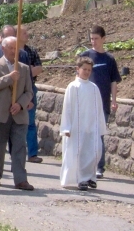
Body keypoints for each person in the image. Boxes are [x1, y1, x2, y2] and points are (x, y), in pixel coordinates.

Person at [0, 36, 34, 190]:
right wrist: (9, 78)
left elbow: (29, 92)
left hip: (19, 115)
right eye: (11, 48)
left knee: (20, 147)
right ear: (3, 49)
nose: (14, 51)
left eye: (16, 48)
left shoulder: (24, 68)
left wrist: (20, 104)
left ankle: (20, 179)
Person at [78, 25, 121, 178]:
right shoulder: (85, 56)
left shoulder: (109, 59)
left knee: (99, 135)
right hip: (86, 103)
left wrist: (114, 100)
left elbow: (114, 81)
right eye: (91, 39)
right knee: (85, 134)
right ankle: (83, 165)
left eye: (96, 39)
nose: (93, 42)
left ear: (103, 39)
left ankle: (99, 167)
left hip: (103, 103)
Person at [60, 57, 107, 191]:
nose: (86, 72)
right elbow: (67, 108)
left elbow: (98, 109)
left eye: (89, 70)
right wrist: (66, 127)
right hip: (76, 127)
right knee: (78, 153)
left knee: (94, 151)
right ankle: (80, 179)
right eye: (84, 69)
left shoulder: (94, 88)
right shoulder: (73, 87)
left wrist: (100, 127)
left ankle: (90, 176)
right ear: (78, 69)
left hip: (91, 126)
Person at [21, 27, 44, 163]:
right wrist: (29, 71)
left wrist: (25, 72)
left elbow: (39, 68)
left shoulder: (31, 51)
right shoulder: (12, 51)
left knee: (30, 121)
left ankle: (32, 153)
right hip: (14, 89)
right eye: (24, 33)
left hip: (30, 88)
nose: (27, 34)